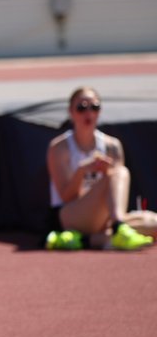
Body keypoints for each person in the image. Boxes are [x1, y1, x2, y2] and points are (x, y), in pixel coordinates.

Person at [44, 86, 155, 252]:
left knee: (153, 223)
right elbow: (66, 197)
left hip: (104, 220)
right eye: (81, 107)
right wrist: (82, 171)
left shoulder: (112, 146)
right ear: (71, 112)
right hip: (70, 216)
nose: (88, 113)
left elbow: (117, 198)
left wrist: (106, 174)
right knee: (120, 172)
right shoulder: (59, 148)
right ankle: (117, 230)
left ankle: (87, 239)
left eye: (94, 107)